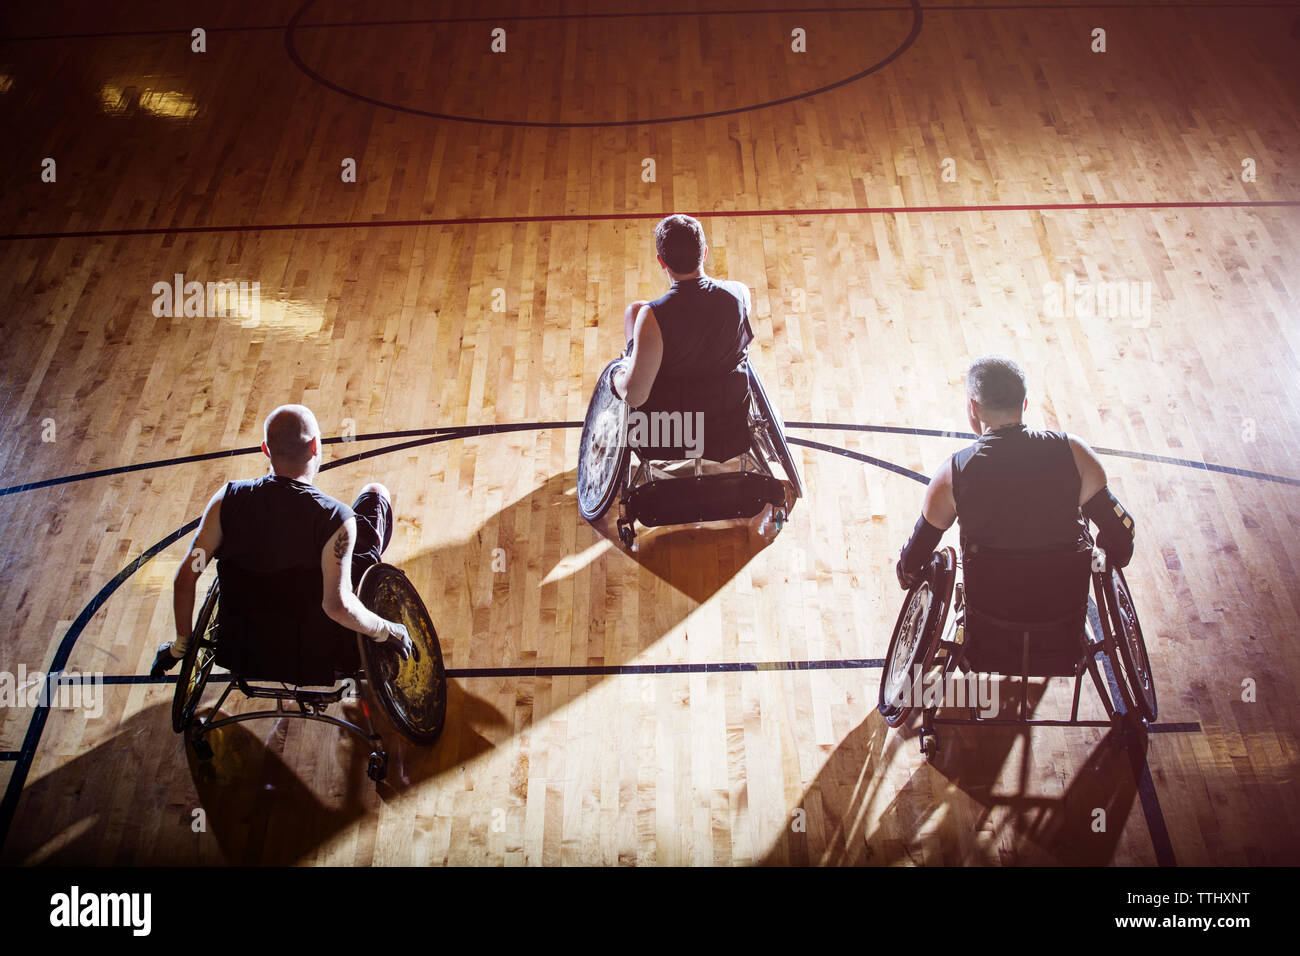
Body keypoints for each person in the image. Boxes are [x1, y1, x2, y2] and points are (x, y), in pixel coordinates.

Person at [150, 404, 412, 676]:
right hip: (317, 658)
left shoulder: (226, 500)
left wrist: (180, 646)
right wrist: (386, 630)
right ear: (314, 446)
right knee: (374, 492)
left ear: (265, 449)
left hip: (241, 653)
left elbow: (186, 578)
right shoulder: (337, 518)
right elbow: (338, 606)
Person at [896, 356, 1136, 588]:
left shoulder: (952, 474)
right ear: (1024, 404)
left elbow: (910, 566)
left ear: (973, 408)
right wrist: (1100, 559)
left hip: (987, 620)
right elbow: (1121, 537)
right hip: (1066, 615)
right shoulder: (1075, 453)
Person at [613, 214, 755, 463]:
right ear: (705, 253)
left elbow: (635, 397)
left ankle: (633, 360)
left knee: (634, 314)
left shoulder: (653, 316)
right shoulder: (739, 294)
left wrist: (618, 377)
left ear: (661, 262)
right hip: (727, 429)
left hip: (668, 436)